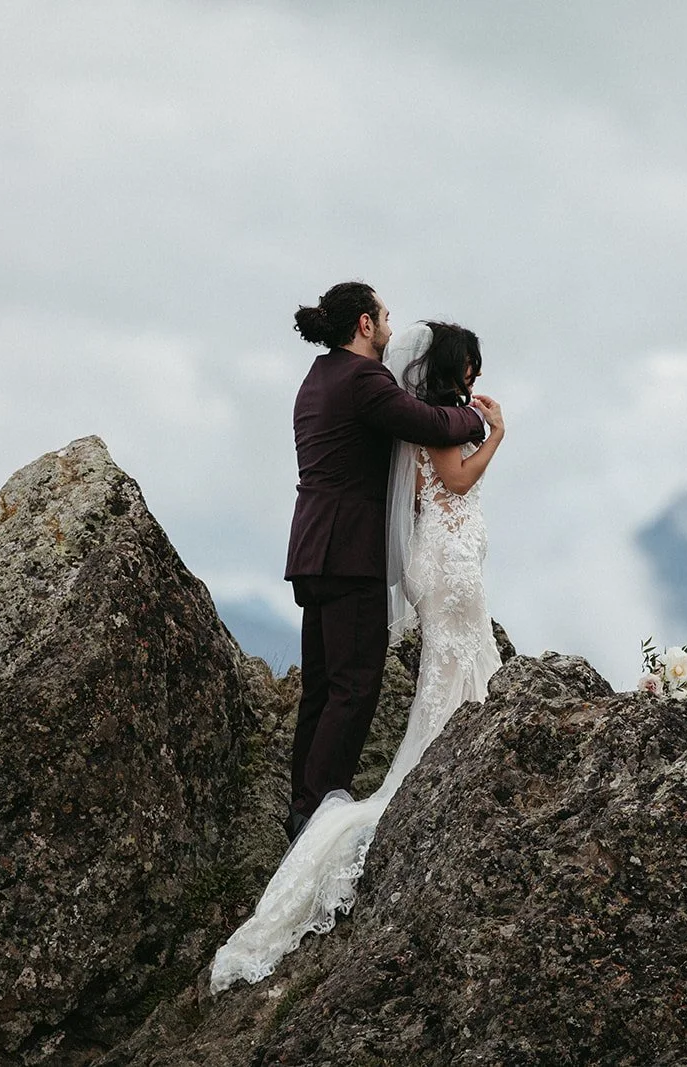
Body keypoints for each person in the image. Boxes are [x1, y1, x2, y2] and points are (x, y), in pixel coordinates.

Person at [209, 310, 507, 992]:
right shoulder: (364, 382)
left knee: (324, 687)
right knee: (351, 687)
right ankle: (316, 815)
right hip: (349, 557)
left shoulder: (321, 377)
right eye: (384, 315)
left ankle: (306, 804)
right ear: (364, 320)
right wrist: (488, 425)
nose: (390, 325)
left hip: (316, 549)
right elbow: (441, 436)